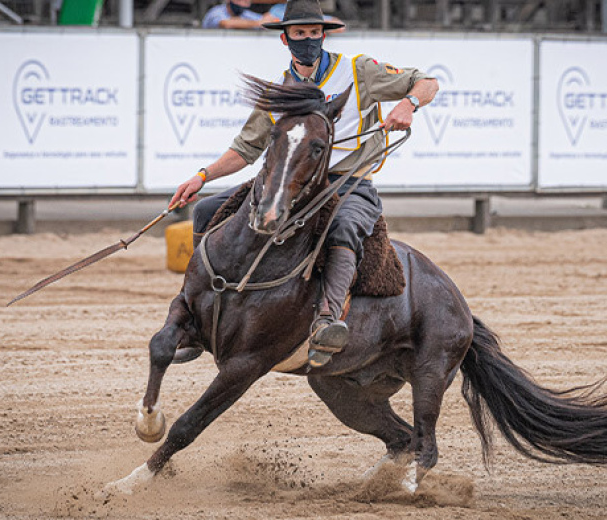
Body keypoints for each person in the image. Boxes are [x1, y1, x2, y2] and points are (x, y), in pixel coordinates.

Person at [173, 0, 439, 367]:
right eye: (300, 34)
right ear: (286, 40)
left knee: (345, 226)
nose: (309, 40)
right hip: (291, 184)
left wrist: (408, 104)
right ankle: (193, 315)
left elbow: (427, 82)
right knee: (206, 209)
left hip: (348, 183)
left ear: (323, 35)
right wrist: (202, 177)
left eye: (315, 34)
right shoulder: (279, 91)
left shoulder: (358, 71)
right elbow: (246, 149)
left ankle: (327, 320)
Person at [202, 0, 278, 29]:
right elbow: (226, 23)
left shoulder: (245, 14)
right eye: (239, 0)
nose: (242, 4)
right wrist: (258, 23)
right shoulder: (216, 12)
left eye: (246, 2)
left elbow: (268, 22)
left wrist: (268, 19)